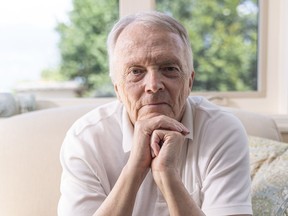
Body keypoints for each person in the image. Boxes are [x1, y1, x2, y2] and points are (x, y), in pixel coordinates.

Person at [58, 11, 252, 216]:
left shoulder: (222, 130)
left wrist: (166, 175)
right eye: (135, 71)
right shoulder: (85, 139)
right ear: (117, 88)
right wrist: (135, 169)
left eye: (169, 68)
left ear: (189, 81)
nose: (153, 85)